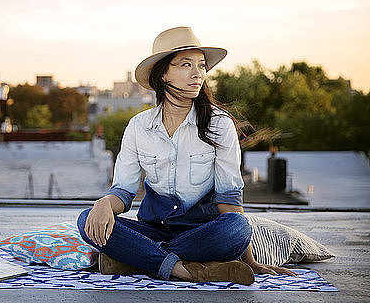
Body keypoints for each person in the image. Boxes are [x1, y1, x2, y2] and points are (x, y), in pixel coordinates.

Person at [77, 27, 296, 284]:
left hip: (203, 233)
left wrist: (251, 262)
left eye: (202, 66)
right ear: (163, 74)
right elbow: (123, 192)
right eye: (185, 65)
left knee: (238, 229)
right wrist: (104, 203)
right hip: (153, 229)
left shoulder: (219, 124)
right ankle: (187, 269)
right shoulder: (139, 126)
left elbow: (230, 201)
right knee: (86, 221)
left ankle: (136, 261)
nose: (198, 74)